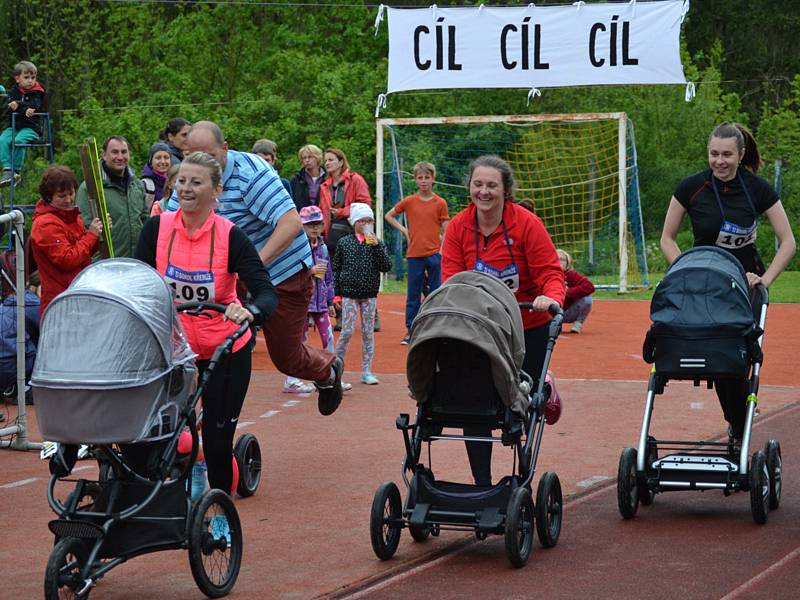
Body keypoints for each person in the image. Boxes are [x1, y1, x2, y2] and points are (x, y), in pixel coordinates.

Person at [170, 121, 344, 415]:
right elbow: (171, 225)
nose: (201, 165)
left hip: (282, 270)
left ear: (225, 149)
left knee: (286, 358)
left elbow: (290, 223)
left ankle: (327, 371)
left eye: (210, 157)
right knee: (202, 341)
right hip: (229, 273)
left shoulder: (251, 174)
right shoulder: (192, 179)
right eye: (192, 157)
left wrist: (251, 269)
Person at [135, 151, 278, 495]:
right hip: (173, 350)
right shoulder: (156, 228)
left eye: (196, 182)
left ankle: (219, 517)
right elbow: (136, 280)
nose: (185, 188)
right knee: (167, 437)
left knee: (215, 443)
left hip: (224, 351)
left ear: (216, 191)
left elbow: (266, 294)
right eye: (181, 180)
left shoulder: (231, 236)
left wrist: (249, 311)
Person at [660, 122, 796, 442]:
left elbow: (788, 241)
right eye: (713, 154)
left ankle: (738, 422)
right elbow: (667, 238)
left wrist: (764, 279)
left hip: (743, 285)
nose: (719, 161)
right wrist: (683, 269)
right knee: (712, 351)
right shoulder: (691, 187)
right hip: (701, 282)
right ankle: (739, 420)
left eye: (727, 155)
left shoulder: (757, 189)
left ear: (740, 154)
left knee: (733, 355)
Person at [442, 155, 565, 487]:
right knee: (474, 402)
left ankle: (522, 473)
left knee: (521, 405)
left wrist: (550, 298)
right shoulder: (458, 226)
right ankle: (482, 485)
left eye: (492, 185)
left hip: (527, 326)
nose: (484, 191)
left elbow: (551, 273)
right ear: (469, 186)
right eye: (478, 184)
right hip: (480, 330)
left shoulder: (526, 224)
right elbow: (451, 280)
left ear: (506, 190)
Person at [281, 205, 349, 394]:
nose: (315, 228)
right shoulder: (296, 248)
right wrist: (309, 272)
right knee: (298, 340)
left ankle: (332, 376)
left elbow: (328, 278)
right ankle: (291, 380)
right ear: (302, 226)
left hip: (320, 304)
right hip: (302, 304)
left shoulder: (324, 248)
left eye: (318, 224)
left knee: (328, 338)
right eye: (310, 225)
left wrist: (330, 302)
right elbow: (291, 273)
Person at [385, 161, 450, 345]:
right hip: (414, 254)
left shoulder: (440, 203)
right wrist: (404, 230)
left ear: (433, 179)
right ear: (415, 180)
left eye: (427, 177)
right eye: (420, 178)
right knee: (413, 294)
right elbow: (389, 215)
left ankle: (435, 329)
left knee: (435, 292)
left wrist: (442, 249)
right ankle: (411, 330)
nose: (423, 181)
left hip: (434, 254)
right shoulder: (409, 201)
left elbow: (447, 228)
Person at [30, 165, 103, 315]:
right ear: (49, 197)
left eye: (71, 193)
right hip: (60, 302)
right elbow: (67, 259)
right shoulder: (45, 224)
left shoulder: (72, 216)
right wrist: (92, 235)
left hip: (78, 295)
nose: (69, 199)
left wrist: (100, 231)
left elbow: (84, 253)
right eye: (62, 196)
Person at [332, 203, 392, 385]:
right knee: (347, 331)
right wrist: (335, 295)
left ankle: (367, 371)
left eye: (369, 220)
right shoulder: (344, 242)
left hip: (369, 294)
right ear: (354, 222)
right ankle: (336, 369)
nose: (366, 223)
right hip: (349, 293)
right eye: (362, 220)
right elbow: (336, 269)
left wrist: (376, 247)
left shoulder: (377, 243)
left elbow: (386, 266)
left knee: (368, 333)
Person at [75, 135, 149, 258]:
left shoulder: (137, 185)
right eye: (114, 152)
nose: (120, 157)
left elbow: (144, 219)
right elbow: (82, 227)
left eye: (124, 152)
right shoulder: (90, 187)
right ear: (104, 155)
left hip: (135, 262)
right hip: (105, 264)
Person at [318, 148, 372, 259]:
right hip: (331, 237)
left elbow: (365, 205)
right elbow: (322, 211)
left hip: (353, 234)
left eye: (330, 160)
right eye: (326, 161)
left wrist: (341, 212)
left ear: (341, 162)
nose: (327, 163)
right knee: (332, 272)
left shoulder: (356, 180)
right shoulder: (324, 186)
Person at [0, 251, 39, 403]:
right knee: (47, 342)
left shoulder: (9, 302)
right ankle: (25, 388)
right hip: (11, 368)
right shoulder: (35, 304)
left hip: (6, 364)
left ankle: (10, 387)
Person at [1, 61, 45, 186]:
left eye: (33, 77)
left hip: (31, 128)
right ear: (17, 79)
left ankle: (16, 170)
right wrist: (14, 106)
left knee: (19, 141)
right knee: (3, 140)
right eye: (26, 77)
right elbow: (9, 106)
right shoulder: (13, 92)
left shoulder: (37, 92)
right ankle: (7, 169)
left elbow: (34, 105)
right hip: (14, 126)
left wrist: (18, 105)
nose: (30, 81)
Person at [556, 249, 595, 334]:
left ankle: (578, 323)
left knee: (587, 299)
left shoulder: (572, 275)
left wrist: (567, 292)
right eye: (556, 259)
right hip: (552, 313)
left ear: (568, 262)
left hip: (568, 312)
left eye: (562, 259)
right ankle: (555, 325)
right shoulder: (547, 275)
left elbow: (589, 287)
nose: (559, 262)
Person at [289, 144, 326, 211]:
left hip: (323, 217)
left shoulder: (327, 177)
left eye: (310, 157)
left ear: (317, 158)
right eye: (304, 158)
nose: (307, 160)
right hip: (302, 218)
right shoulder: (296, 179)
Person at [141, 142, 172, 210]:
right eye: (158, 158)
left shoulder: (174, 181)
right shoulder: (145, 185)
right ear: (150, 161)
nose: (163, 161)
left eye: (166, 157)